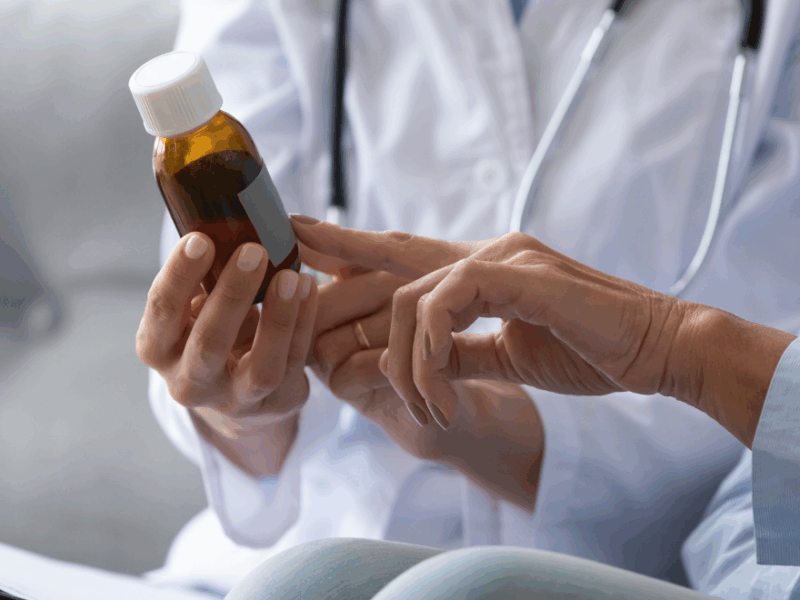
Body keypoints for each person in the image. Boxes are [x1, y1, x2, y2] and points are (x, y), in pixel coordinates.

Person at [137, 0, 800, 597]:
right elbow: (211, 326)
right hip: (271, 558)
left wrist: (488, 425)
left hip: (628, 558)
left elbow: (774, 405)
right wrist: (244, 409)